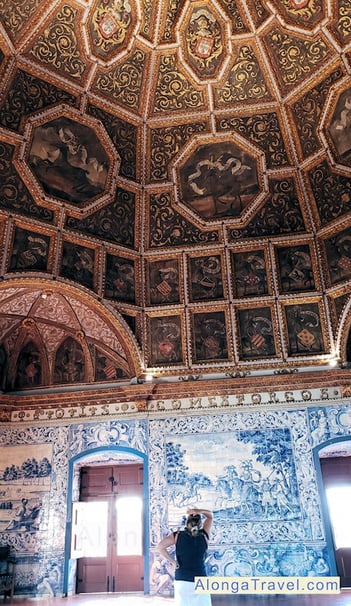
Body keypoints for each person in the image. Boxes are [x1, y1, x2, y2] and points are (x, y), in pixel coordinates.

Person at [157, 507, 213, 605]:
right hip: (201, 581)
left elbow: (160, 547)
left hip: (182, 580)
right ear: (200, 524)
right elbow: (210, 517)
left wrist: (173, 562)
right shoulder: (204, 535)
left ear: (187, 523)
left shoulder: (177, 535)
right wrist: (198, 511)